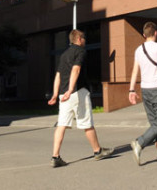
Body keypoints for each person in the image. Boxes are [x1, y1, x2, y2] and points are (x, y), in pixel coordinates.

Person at [48, 29, 113, 167]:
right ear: (78, 39)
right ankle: (97, 151)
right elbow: (76, 69)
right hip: (78, 92)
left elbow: (58, 76)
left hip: (63, 95)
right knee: (87, 123)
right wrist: (71, 89)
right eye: (84, 38)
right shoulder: (80, 51)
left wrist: (55, 94)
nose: (85, 40)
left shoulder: (64, 55)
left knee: (61, 125)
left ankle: (55, 157)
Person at [127, 21, 157, 166]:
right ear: (156, 33)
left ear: (144, 34)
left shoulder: (138, 50)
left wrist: (131, 89)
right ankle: (140, 143)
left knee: (154, 122)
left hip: (145, 89)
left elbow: (135, 71)